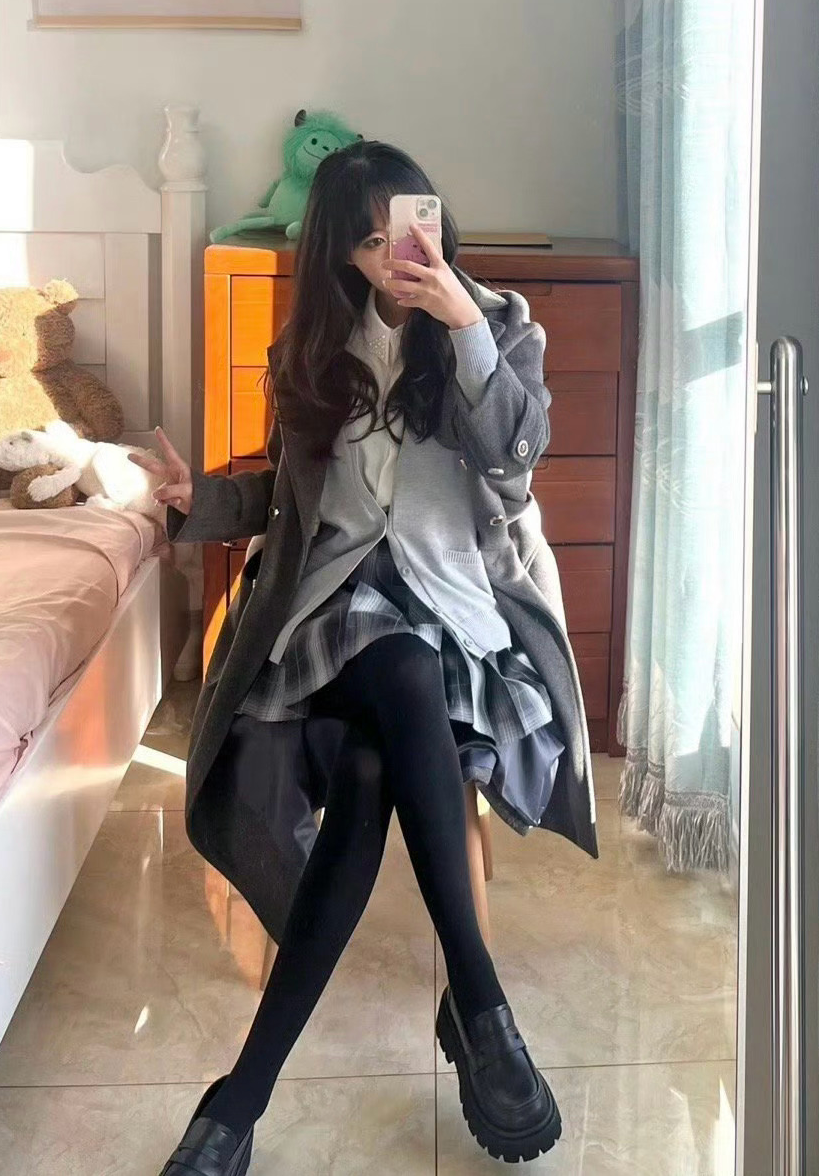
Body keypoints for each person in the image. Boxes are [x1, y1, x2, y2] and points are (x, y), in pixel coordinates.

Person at [141, 141, 598, 1175]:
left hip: (456, 610)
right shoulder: (312, 351)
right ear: (340, 254)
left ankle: (238, 1101)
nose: (392, 253)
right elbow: (288, 495)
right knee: (393, 664)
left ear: (430, 219)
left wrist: (461, 323)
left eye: (401, 225)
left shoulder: (497, 326)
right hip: (332, 613)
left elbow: (514, 462)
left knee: (366, 765)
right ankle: (478, 1002)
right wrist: (197, 501)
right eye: (364, 239)